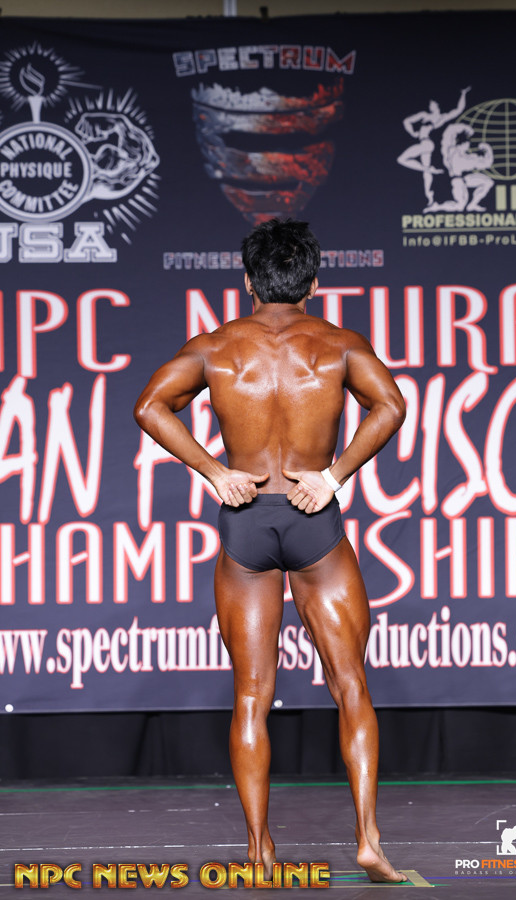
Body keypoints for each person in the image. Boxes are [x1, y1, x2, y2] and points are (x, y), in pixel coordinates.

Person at [134, 218, 407, 883]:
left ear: (248, 281)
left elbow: (150, 406)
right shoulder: (339, 344)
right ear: (313, 283)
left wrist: (214, 471)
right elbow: (391, 406)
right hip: (316, 522)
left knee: (251, 698)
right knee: (350, 685)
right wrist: (333, 477)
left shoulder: (216, 347)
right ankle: (369, 840)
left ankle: (259, 852)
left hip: (245, 522)